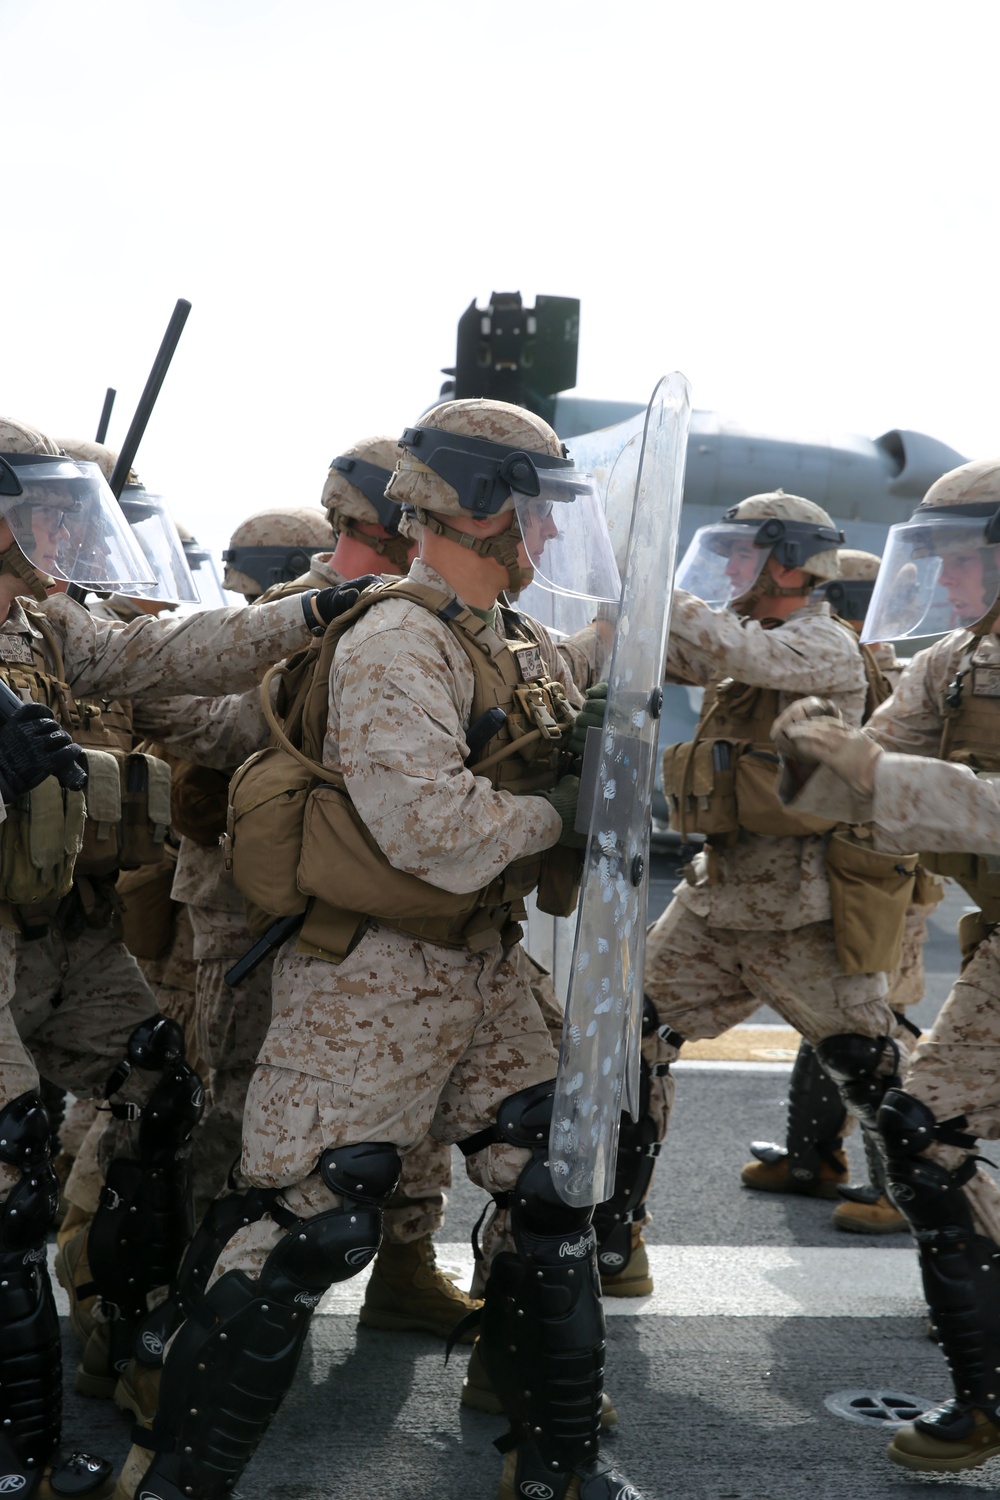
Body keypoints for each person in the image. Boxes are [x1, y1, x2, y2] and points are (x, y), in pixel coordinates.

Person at [112, 397, 646, 1500]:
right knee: (307, 1224)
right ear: (477, 505)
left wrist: (640, 650)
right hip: (374, 976)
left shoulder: (504, 637)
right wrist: (563, 811)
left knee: (551, 1185)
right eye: (536, 513)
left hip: (480, 965)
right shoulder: (398, 637)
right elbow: (430, 831)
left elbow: (582, 673)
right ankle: (173, 1481)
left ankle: (556, 1469)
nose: (548, 538)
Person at [0, 415, 354, 1498]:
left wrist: (320, 611)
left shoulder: (43, 623)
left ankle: (122, 1330)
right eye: (40, 506)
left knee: (156, 1085)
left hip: (67, 928)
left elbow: (160, 652)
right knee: (10, 1178)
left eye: (67, 506)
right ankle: (23, 1462)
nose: (61, 527)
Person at [769, 456, 1000, 1473]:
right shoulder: (950, 661)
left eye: (961, 562)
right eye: (937, 561)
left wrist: (876, 770)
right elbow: (861, 778)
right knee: (920, 1125)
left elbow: (904, 778)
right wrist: (810, 752)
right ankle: (986, 1399)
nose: (944, 584)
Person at [630, 494, 915, 1297]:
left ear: (788, 564)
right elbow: (689, 654)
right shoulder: (753, 635)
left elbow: (730, 650)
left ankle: (965, 1266)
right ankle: (616, 1240)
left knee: (880, 1081)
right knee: (628, 1043)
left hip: (804, 915)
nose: (723, 570)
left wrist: (652, 575)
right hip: (718, 903)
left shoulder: (820, 646)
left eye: (738, 554)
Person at [740, 548, 941, 1235]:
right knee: (829, 1030)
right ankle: (812, 1161)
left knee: (874, 1038)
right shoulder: (876, 664)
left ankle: (899, 1190)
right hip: (851, 879)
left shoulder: (879, 672)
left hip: (885, 886)